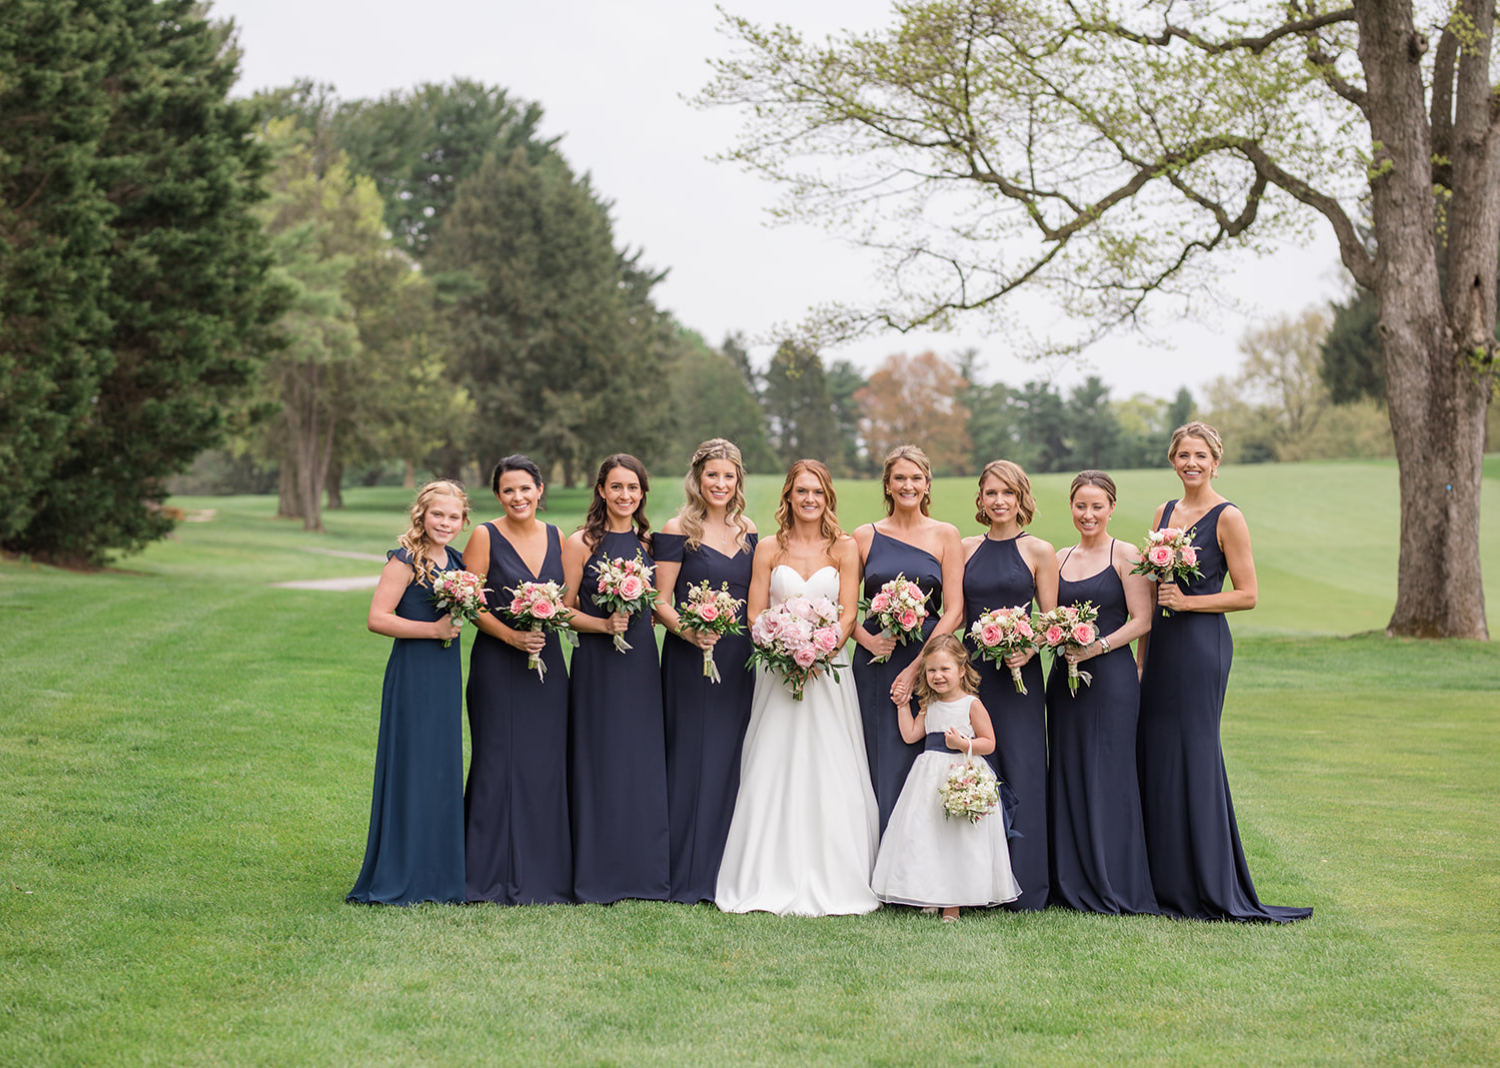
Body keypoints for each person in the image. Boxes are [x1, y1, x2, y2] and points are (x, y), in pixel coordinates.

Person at [1136, 422, 1312, 922]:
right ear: (1173, 461)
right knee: (1157, 753)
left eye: (1200, 455)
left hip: (1201, 647)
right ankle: (1163, 882)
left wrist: (1189, 604)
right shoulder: (1163, 513)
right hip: (1163, 646)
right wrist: (1143, 657)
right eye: (1182, 455)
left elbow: (1248, 594)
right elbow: (1151, 593)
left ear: (1216, 461)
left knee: (1194, 754)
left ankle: (1209, 884)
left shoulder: (1227, 517)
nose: (1191, 462)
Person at [715, 460, 881, 916]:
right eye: (802, 491)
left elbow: (848, 613)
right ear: (788, 495)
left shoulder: (845, 549)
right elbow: (753, 612)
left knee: (831, 758)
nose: (810, 499)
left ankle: (838, 874)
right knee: (775, 757)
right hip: (777, 670)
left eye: (818, 493)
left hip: (829, 669)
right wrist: (781, 648)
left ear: (828, 498)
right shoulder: (768, 547)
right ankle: (765, 872)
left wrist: (821, 649)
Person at [347, 481, 469, 905]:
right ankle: (403, 870)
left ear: (463, 521)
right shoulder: (405, 560)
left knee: (440, 765)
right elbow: (377, 618)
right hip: (415, 672)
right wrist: (432, 630)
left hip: (445, 672)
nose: (446, 523)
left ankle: (439, 873)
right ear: (421, 514)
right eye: (438, 515)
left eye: (454, 517)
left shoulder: (456, 560)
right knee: (413, 764)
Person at [460, 455, 572, 905]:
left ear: (540, 490)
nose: (518, 497)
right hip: (497, 665)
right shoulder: (484, 535)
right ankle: (486, 873)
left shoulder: (556, 536)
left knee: (545, 764)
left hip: (549, 666)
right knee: (497, 761)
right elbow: (470, 601)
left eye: (525, 488)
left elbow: (567, 599)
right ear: (498, 495)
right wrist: (511, 635)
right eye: (508, 490)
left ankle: (545, 874)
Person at [1045, 471, 1158, 915]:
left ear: (1112, 508)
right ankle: (1070, 879)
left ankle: (1115, 879)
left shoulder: (1125, 554)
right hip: (1065, 679)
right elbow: (1047, 617)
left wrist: (1097, 646)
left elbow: (1142, 618)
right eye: (1080, 506)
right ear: (1071, 508)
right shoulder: (1058, 557)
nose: (1088, 514)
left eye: (1097, 506)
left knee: (1109, 773)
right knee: (1069, 771)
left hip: (1110, 678)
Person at [653, 440, 759, 904]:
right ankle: (684, 872)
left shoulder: (748, 529)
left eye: (728, 477)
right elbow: (659, 601)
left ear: (738, 481)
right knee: (693, 755)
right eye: (711, 476)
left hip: (740, 658)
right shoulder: (678, 528)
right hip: (691, 656)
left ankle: (726, 868)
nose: (720, 484)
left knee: (733, 757)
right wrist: (691, 632)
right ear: (697, 478)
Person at [563, 454, 670, 903]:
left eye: (633, 487)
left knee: (639, 761)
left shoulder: (652, 543)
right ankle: (597, 872)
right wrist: (603, 625)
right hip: (596, 663)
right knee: (599, 756)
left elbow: (660, 606)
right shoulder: (581, 542)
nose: (625, 495)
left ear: (643, 492)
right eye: (616, 487)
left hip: (641, 662)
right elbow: (563, 610)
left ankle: (642, 874)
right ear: (602, 491)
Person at [852, 445, 965, 833]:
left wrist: (917, 665)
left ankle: (923, 853)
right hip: (875, 662)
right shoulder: (864, 537)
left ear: (928, 484)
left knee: (926, 750)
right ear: (887, 484)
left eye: (916, 478)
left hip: (930, 662)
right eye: (899, 478)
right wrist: (868, 642)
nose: (908, 485)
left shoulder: (946, 535)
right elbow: (844, 606)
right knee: (876, 751)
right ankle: (877, 852)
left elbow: (955, 610)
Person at [960, 459, 1057, 910]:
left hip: (1019, 680)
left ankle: (1025, 884)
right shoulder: (963, 548)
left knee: (1023, 766)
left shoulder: (1039, 550)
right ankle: (976, 883)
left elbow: (1050, 621)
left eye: (1008, 494)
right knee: (977, 766)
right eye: (991, 493)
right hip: (974, 675)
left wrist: (1029, 648)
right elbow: (958, 615)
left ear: (1022, 499)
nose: (999, 502)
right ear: (980, 499)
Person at [871, 634, 1021, 921]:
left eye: (945, 669)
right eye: (931, 671)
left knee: (957, 838)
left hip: (961, 772)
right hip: (928, 779)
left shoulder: (970, 704)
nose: (937, 676)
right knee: (926, 833)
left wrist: (964, 744)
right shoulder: (930, 705)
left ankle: (953, 900)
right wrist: (904, 706)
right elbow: (912, 734)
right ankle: (929, 892)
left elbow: (989, 743)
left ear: (962, 670)